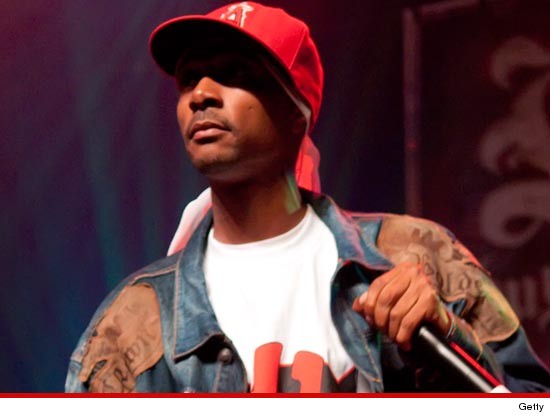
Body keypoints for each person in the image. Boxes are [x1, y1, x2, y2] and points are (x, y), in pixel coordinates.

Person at [65, 2, 550, 393]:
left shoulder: (416, 255)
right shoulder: (135, 319)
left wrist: (446, 340)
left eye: (232, 73)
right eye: (189, 79)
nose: (201, 95)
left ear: (297, 110)